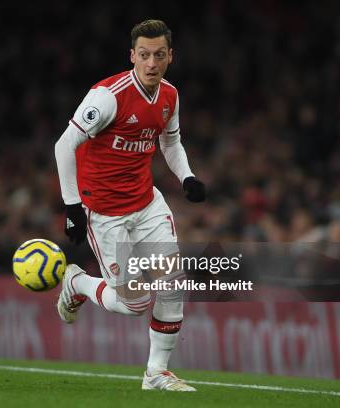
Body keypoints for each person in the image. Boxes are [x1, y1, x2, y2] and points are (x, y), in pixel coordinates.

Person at [54, 19, 205, 392]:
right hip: (104, 212)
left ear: (170, 56)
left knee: (172, 283)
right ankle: (78, 282)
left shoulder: (170, 95)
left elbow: (170, 143)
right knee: (132, 304)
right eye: (143, 55)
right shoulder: (108, 96)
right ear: (132, 56)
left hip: (146, 202)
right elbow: (63, 145)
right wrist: (72, 207)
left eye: (158, 55)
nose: (151, 63)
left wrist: (186, 177)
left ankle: (156, 373)